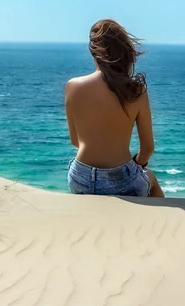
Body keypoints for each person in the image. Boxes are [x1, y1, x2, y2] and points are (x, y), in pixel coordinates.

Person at [66, 19, 164, 198]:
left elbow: (76, 141)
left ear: (92, 51)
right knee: (151, 180)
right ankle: (162, 225)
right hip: (122, 180)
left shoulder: (73, 87)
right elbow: (148, 147)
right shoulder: (135, 91)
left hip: (80, 177)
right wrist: (138, 164)